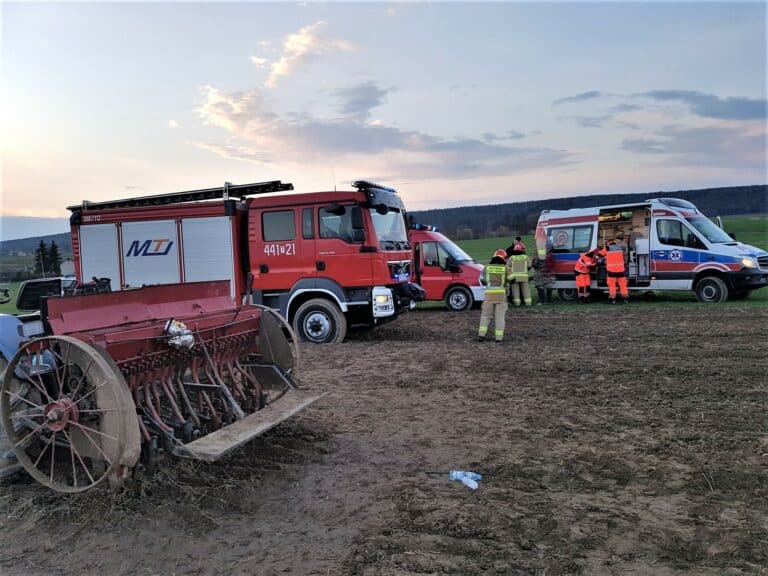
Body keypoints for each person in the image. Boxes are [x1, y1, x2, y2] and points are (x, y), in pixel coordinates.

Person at [478, 249, 509, 342]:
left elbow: (481, 280)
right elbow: (512, 279)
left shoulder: (486, 267)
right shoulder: (505, 268)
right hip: (501, 295)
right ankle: (499, 338)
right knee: (500, 317)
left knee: (485, 316)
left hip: (489, 294)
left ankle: (481, 335)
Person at [605, 232, 629, 303]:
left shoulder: (610, 246)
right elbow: (625, 253)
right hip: (621, 267)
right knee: (623, 284)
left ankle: (612, 299)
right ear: (622, 237)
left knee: (612, 284)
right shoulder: (624, 244)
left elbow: (603, 254)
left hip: (612, 270)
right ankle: (625, 299)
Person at [506, 241, 532, 306]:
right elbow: (529, 266)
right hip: (524, 278)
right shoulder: (525, 257)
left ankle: (517, 303)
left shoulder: (512, 257)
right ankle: (528, 303)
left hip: (514, 278)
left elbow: (507, 267)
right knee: (526, 291)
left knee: (515, 291)